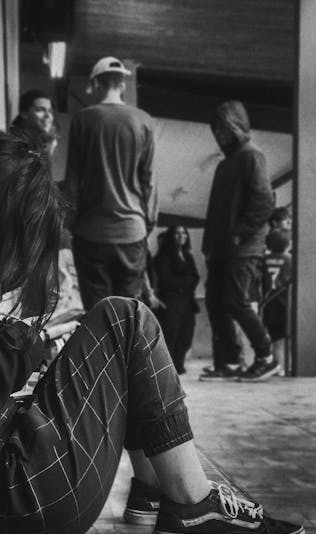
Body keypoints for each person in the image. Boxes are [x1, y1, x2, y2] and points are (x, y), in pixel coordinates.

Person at [0, 131, 304, 534]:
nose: (7, 262)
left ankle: (154, 488)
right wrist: (14, 349)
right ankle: (192, 502)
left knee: (111, 330)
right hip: (20, 495)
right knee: (125, 317)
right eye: (10, 240)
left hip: (19, 476)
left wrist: (32, 360)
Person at [65, 56, 159, 312]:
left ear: (95, 84)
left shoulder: (83, 120)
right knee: (127, 316)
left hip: (90, 233)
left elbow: (72, 180)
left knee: (98, 318)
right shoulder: (143, 121)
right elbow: (148, 181)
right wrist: (146, 223)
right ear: (123, 85)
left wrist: (70, 223)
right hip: (132, 232)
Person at [200, 100, 279, 382]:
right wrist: (208, 244)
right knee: (214, 302)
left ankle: (266, 356)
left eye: (224, 128)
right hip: (222, 249)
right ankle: (230, 361)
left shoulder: (251, 155)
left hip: (244, 247)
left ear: (237, 126)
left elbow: (264, 200)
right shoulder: (225, 165)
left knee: (235, 301)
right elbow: (215, 210)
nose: (219, 135)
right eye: (216, 130)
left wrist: (240, 232)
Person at [154, 225, 200, 375]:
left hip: (187, 302)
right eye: (177, 233)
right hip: (171, 302)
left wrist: (182, 282)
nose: (181, 236)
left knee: (186, 334)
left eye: (184, 233)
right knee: (171, 334)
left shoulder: (188, 256)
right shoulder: (163, 256)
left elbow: (196, 278)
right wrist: (187, 281)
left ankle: (178, 366)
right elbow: (167, 281)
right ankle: (168, 368)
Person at [261, 229, 292, 375]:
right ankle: (287, 367)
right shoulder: (290, 260)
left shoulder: (263, 260)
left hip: (269, 305)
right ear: (288, 244)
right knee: (288, 339)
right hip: (287, 305)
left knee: (276, 340)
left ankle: (279, 367)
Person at [11, 89, 57, 157]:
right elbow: (28, 156)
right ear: (24, 114)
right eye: (40, 110)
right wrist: (47, 154)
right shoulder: (13, 141)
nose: (48, 115)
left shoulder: (45, 140)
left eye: (50, 111)